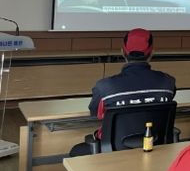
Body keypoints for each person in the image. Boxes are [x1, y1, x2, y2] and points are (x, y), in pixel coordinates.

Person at [69, 28, 176, 157]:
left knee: (76, 151)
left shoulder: (105, 87)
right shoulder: (168, 83)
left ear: (122, 52)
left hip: (113, 153)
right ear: (152, 53)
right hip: (156, 149)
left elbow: (95, 114)